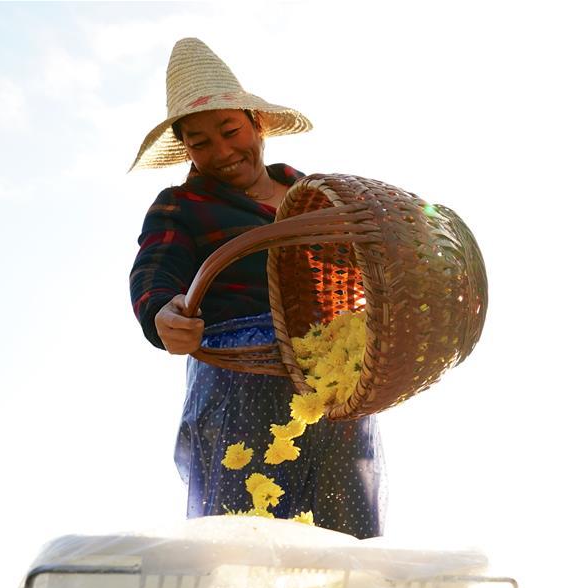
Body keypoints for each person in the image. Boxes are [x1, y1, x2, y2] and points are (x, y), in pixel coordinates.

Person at [128, 38, 387, 538]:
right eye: (200, 142)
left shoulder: (314, 194)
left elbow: (369, 268)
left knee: (347, 536)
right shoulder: (180, 205)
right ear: (186, 148)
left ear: (257, 124)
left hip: (333, 381)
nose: (222, 152)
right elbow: (153, 273)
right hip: (240, 380)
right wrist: (161, 313)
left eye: (230, 131)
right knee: (245, 541)